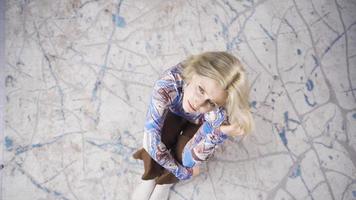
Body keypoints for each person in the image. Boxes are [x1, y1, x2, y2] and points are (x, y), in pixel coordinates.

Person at [131, 51, 254, 200]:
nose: (198, 103)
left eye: (211, 102)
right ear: (194, 72)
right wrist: (184, 172)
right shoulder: (167, 84)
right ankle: (151, 174)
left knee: (184, 153)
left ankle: (165, 182)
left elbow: (190, 159)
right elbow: (150, 141)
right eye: (201, 89)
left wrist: (218, 133)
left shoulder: (220, 114)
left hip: (200, 124)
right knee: (161, 137)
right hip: (175, 111)